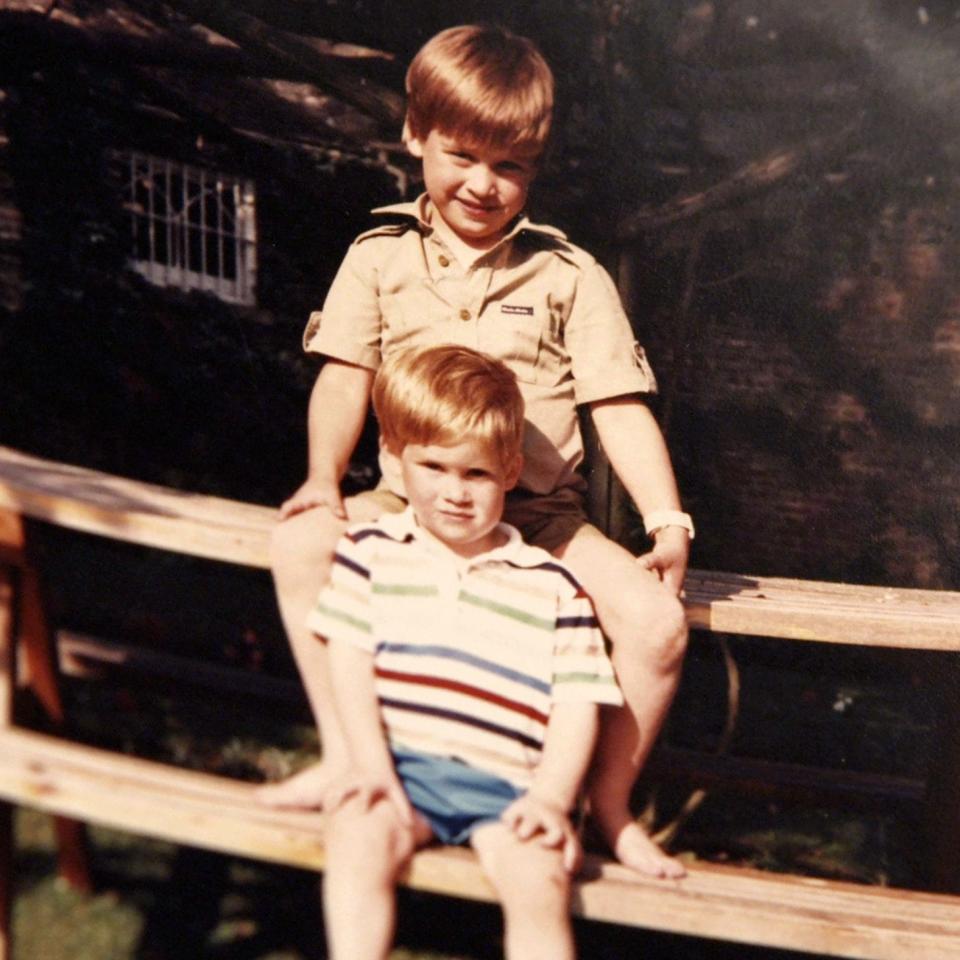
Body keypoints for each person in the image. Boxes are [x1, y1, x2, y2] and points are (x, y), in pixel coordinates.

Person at [258, 22, 692, 879]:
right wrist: (320, 480)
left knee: (657, 626)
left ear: (535, 165)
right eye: (462, 156)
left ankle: (604, 806)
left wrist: (667, 519)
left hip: (541, 519)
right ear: (416, 134)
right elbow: (344, 379)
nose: (484, 186)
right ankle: (350, 759)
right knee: (299, 542)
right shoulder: (380, 258)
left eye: (511, 167)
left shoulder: (569, 275)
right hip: (411, 508)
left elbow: (619, 404)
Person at [317, 344, 623, 960]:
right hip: (402, 770)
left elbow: (575, 708)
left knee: (539, 883)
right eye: (435, 468)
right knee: (355, 841)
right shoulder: (371, 552)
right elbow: (348, 664)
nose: (455, 493)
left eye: (476, 473)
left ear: (510, 473)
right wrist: (371, 766)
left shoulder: (553, 586)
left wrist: (552, 800)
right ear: (398, 463)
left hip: (509, 790)